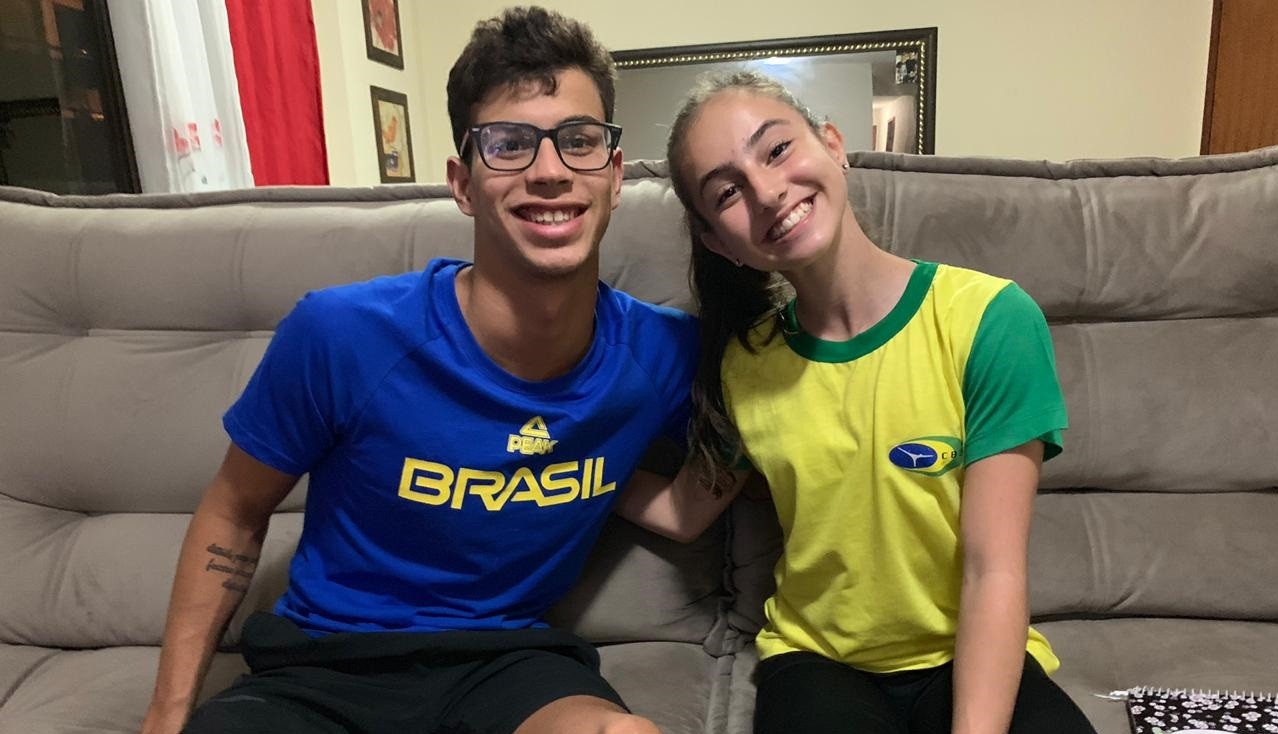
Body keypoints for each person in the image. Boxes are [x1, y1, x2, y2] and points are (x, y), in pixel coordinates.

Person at [140, 7, 696, 734]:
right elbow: (234, 511)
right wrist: (165, 716)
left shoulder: (661, 353)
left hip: (509, 664)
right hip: (324, 668)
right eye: (509, 145)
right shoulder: (343, 334)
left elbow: (777, 418)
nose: (550, 171)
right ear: (462, 184)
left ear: (615, 176)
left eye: (579, 141)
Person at [618, 71, 1098, 733]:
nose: (767, 191)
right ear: (718, 242)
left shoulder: (991, 320)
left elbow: (994, 571)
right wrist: (570, 468)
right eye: (727, 192)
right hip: (817, 664)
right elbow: (684, 511)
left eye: (777, 150)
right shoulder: (742, 365)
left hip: (964, 651)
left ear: (834, 144)